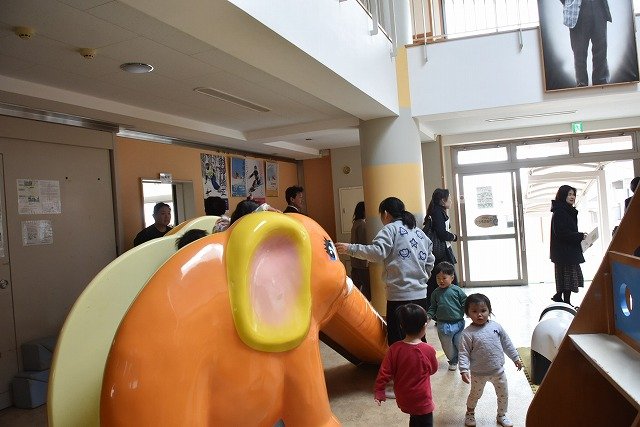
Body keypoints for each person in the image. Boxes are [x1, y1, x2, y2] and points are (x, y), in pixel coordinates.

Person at [336, 197, 435, 347]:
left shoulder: (390, 229)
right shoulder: (419, 233)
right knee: (418, 338)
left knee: (398, 341)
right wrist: (424, 277)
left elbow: (377, 253)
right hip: (420, 295)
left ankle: (402, 363)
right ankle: (421, 361)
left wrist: (350, 248)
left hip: (399, 296)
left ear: (386, 213)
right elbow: (430, 259)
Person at [458, 293, 522, 427]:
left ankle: (501, 415)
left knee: (503, 394)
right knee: (475, 395)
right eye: (474, 311)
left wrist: (515, 358)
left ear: (489, 310)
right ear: (468, 314)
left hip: (498, 371)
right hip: (478, 373)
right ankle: (470, 413)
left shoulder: (496, 327)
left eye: (483, 310)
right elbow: (463, 353)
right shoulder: (467, 333)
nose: (479, 315)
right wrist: (463, 369)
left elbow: (507, 343)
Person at [374, 304, 438, 427]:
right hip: (422, 399)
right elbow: (433, 369)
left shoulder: (394, 349)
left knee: (414, 417)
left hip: (403, 398)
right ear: (424, 326)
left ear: (401, 326)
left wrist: (379, 390)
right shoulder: (428, 350)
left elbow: (384, 372)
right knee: (424, 421)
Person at [550, 185, 587, 307]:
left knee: (566, 277)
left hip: (566, 250)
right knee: (568, 277)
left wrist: (580, 236)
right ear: (562, 195)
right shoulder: (561, 211)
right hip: (564, 251)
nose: (572, 197)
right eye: (569, 194)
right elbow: (561, 233)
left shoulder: (566, 210)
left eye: (573, 194)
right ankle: (565, 302)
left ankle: (561, 298)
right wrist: (580, 236)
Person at [426, 261, 466, 372]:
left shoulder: (457, 290)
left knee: (459, 342)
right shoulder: (435, 293)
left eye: (444, 278)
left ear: (452, 278)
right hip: (443, 325)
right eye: (438, 278)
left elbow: (465, 302)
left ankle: (463, 359)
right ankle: (453, 360)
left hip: (458, 323)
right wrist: (429, 316)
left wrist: (469, 312)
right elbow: (433, 307)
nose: (441, 281)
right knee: (447, 345)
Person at [561, 0, 611, 87]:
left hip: (599, 7)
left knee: (601, 49)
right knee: (579, 52)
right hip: (578, 11)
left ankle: (601, 83)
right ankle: (582, 85)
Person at [423, 188, 458, 303]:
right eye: (449, 198)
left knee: (438, 279)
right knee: (447, 278)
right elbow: (441, 233)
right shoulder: (438, 213)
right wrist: (454, 237)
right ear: (443, 200)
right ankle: (452, 304)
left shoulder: (437, 211)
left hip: (440, 251)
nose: (451, 201)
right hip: (441, 252)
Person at [350, 201, 371, 300]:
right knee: (367, 289)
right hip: (362, 263)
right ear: (363, 211)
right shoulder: (362, 224)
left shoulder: (356, 223)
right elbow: (364, 244)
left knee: (356, 289)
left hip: (355, 262)